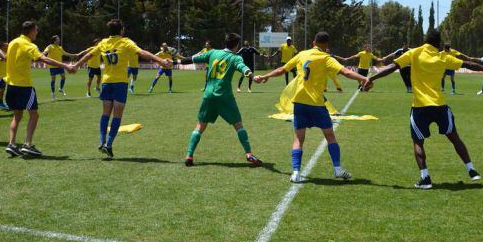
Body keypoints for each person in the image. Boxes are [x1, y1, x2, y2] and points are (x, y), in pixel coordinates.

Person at [369, 29, 483, 189]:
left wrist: (370, 78)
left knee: (418, 142)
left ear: (425, 40)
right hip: (440, 105)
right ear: (439, 43)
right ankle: (472, 170)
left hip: (420, 106)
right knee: (454, 138)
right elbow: (468, 64)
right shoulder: (443, 56)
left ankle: (425, 178)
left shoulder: (414, 52)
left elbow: (392, 67)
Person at [256, 31, 371, 183]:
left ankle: (296, 172)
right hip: (316, 103)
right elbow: (345, 72)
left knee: (298, 138)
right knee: (330, 136)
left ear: (313, 43)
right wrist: (364, 78)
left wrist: (265, 76)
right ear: (326, 45)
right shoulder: (326, 58)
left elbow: (281, 70)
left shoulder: (302, 54)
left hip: (299, 102)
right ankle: (337, 168)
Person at [72, 19, 172, 158]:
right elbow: (143, 52)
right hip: (120, 84)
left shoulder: (103, 43)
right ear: (121, 30)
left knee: (105, 114)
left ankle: (102, 141)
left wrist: (76, 65)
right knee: (117, 116)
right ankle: (108, 144)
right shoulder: (125, 42)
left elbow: (89, 54)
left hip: (106, 83)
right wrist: (161, 61)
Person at [176, 33, 264, 167]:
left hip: (208, 95)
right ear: (236, 45)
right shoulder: (235, 58)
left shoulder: (212, 53)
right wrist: (252, 76)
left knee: (200, 126)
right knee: (238, 125)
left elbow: (192, 59)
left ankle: (189, 156)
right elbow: (244, 68)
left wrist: (174, 62)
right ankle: (249, 154)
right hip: (224, 96)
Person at [4, 21, 77, 157]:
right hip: (24, 86)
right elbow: (44, 59)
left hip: (11, 85)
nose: (37, 33)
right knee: (34, 115)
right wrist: (65, 66)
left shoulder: (13, 42)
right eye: (36, 30)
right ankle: (28, 145)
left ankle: (12, 144)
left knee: (17, 115)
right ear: (31, 31)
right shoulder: (30, 45)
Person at [43, 35, 80, 101]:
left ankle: (60, 88)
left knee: (63, 77)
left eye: (59, 39)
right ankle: (53, 94)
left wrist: (74, 55)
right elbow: (45, 52)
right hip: (52, 66)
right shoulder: (50, 46)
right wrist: (40, 54)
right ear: (54, 41)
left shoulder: (60, 47)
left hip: (60, 65)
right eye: (58, 39)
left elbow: (66, 53)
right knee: (53, 79)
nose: (59, 40)